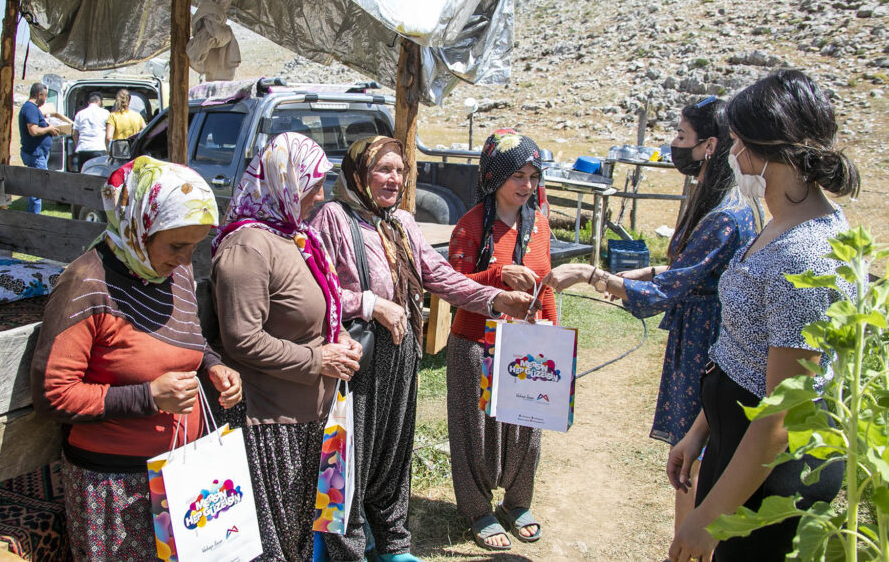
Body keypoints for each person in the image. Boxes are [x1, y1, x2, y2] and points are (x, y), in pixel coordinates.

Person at [311, 135, 538, 561]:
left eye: (400, 171)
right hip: (357, 356)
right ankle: (351, 548)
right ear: (359, 173)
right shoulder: (333, 220)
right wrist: (370, 303)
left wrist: (493, 299)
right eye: (384, 169)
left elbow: (439, 276)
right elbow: (314, 291)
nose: (394, 179)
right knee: (353, 459)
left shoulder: (403, 223)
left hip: (400, 355)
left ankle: (394, 542)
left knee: (393, 455)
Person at [666, 70, 859, 562]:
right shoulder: (781, 224)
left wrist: (707, 521)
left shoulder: (805, 255)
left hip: (771, 474)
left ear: (762, 150)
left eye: (734, 142)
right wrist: (700, 430)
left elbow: (782, 411)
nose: (730, 155)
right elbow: (745, 351)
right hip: (737, 446)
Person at [546, 97, 758, 531]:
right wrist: (637, 271)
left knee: (696, 457)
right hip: (702, 334)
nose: (674, 145)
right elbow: (690, 269)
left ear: (711, 146)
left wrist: (591, 274)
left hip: (707, 344)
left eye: (682, 137)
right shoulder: (722, 202)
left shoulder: (723, 216)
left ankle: (688, 543)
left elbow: (668, 289)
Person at [30, 155, 243, 561]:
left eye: (194, 246)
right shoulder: (86, 284)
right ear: (137, 227)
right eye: (177, 245)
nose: (186, 260)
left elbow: (188, 339)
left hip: (182, 471)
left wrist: (213, 366)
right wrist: (148, 396)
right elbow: (53, 394)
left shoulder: (171, 273)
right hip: (115, 486)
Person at [211, 132, 363, 562]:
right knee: (273, 541)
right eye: (311, 185)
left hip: (309, 413)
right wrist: (320, 358)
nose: (319, 195)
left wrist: (340, 339)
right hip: (271, 420)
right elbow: (242, 339)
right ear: (283, 182)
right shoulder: (248, 246)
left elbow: (316, 312)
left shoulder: (295, 236)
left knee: (298, 536)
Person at [444, 129, 557, 551]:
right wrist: (496, 276)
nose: (527, 185)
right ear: (494, 177)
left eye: (533, 176)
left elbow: (545, 288)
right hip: (475, 344)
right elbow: (451, 286)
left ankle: (517, 502)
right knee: (475, 429)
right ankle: (477, 508)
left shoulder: (540, 225)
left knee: (528, 424)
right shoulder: (471, 226)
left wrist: (553, 341)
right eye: (518, 176)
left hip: (527, 344)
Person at [18, 82, 58, 214]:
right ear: (39, 94)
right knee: (38, 188)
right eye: (45, 96)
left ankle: (32, 216)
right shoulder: (30, 108)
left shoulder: (32, 108)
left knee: (35, 186)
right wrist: (49, 129)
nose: (45, 100)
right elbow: (33, 131)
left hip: (37, 152)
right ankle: (35, 218)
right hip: (35, 153)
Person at [72, 92, 110, 169]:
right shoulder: (105, 113)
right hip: (99, 148)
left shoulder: (80, 114)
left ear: (88, 102)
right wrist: (106, 146)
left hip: (83, 149)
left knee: (84, 175)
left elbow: (74, 133)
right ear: (99, 101)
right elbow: (108, 134)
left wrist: (78, 145)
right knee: (98, 175)